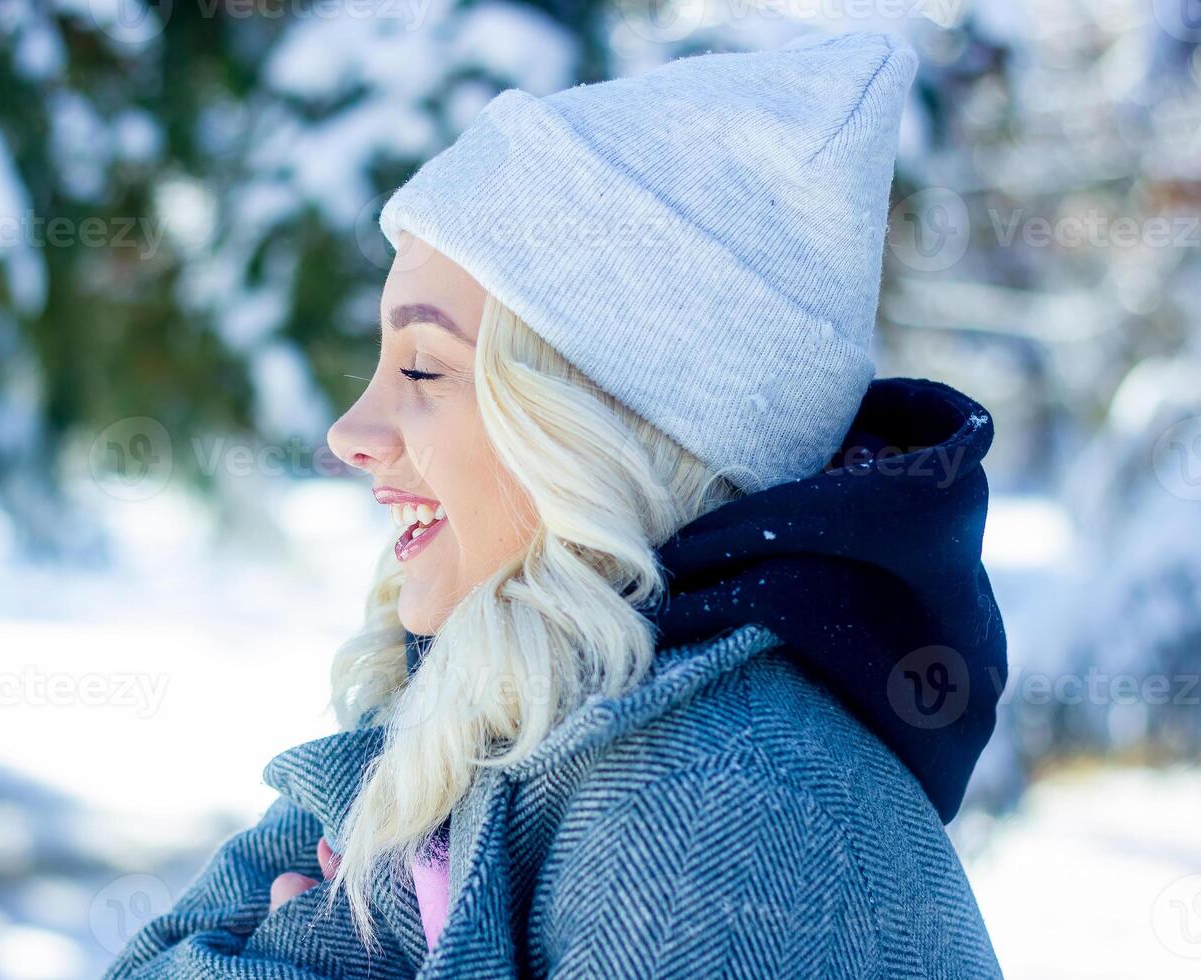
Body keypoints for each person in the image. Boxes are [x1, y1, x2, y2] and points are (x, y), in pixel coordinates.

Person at [104, 29, 1007, 979]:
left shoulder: (716, 807)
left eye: (422, 366)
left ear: (601, 427)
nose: (351, 431)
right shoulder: (481, 715)